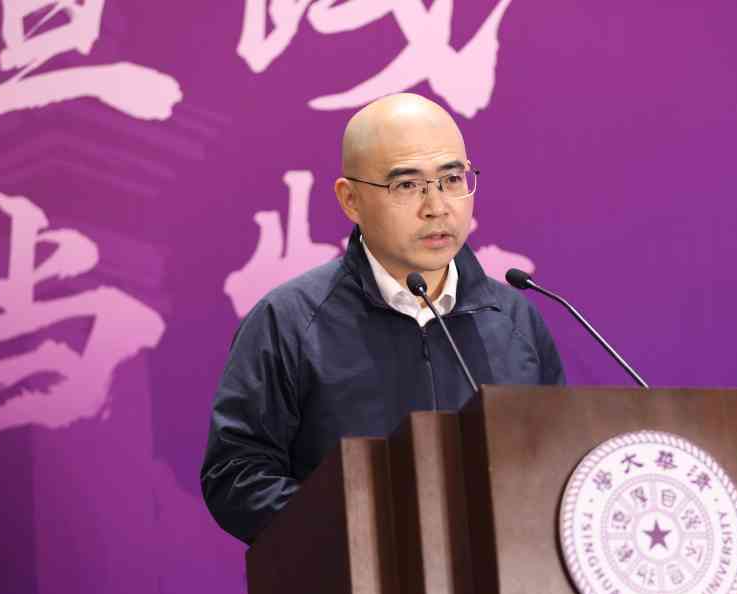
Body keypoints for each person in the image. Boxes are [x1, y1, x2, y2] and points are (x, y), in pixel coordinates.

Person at [202, 93, 564, 543]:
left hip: (505, 581)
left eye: (452, 178)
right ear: (350, 200)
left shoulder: (514, 319)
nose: (437, 206)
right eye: (407, 185)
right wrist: (361, 529)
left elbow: (556, 462)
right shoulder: (289, 322)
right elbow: (236, 475)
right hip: (354, 579)